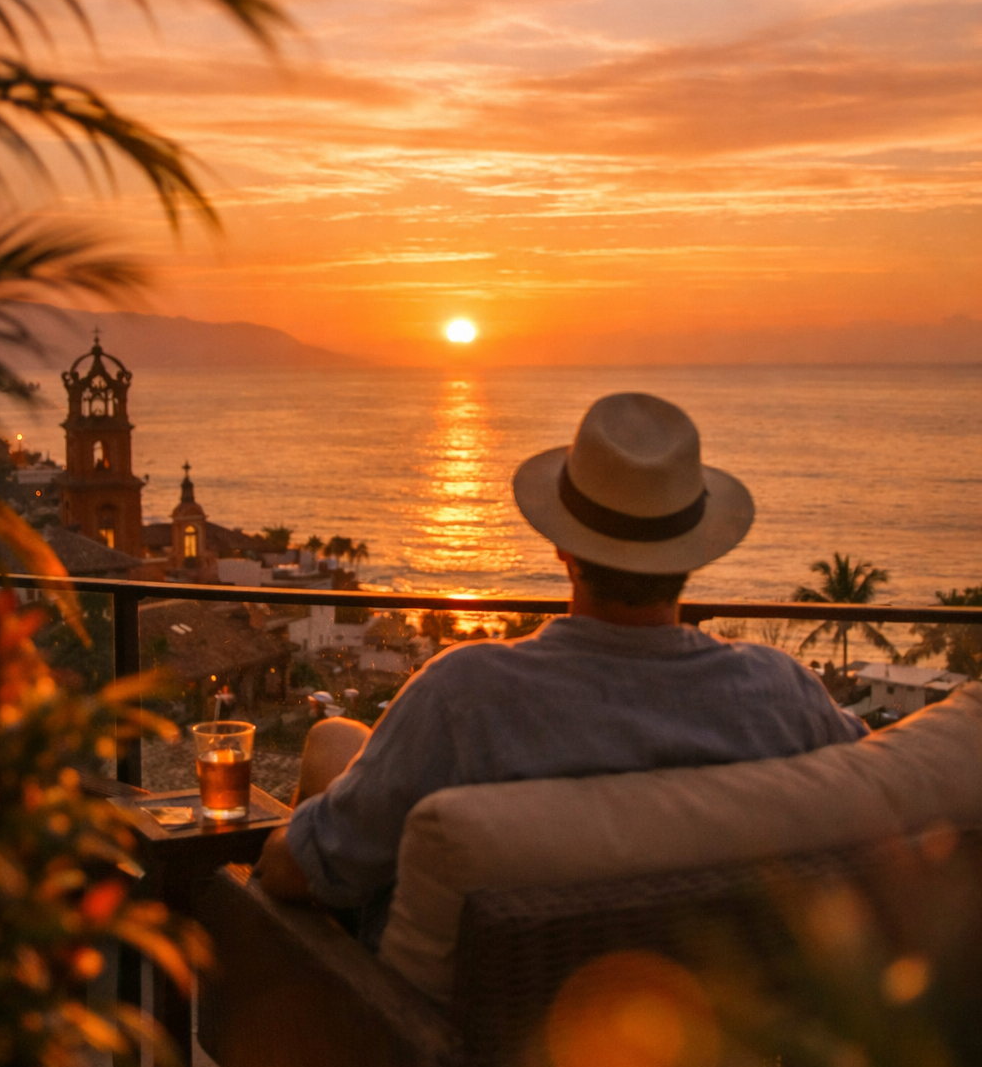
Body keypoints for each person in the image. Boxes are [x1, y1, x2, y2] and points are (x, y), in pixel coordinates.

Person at [255, 392, 865, 930]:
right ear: (695, 552)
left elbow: (303, 872)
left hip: (446, 1033)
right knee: (340, 738)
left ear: (561, 545)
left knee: (331, 745)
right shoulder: (783, 696)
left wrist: (274, 844)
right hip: (718, 1032)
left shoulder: (467, 698)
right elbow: (880, 787)